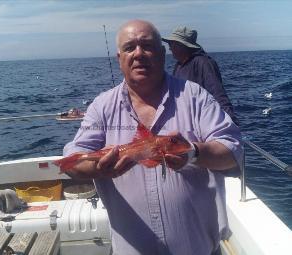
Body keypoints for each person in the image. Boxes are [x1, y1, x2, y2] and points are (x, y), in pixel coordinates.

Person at [62, 20, 243, 255]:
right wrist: (98, 169)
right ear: (119, 58)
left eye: (147, 46)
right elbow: (73, 159)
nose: (138, 54)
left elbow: (233, 150)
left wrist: (193, 153)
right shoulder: (102, 107)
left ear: (161, 53)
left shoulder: (195, 97)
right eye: (129, 47)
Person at [162, 26, 239, 125]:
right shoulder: (179, 65)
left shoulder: (203, 63)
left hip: (203, 122)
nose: (170, 48)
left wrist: (231, 123)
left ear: (182, 46)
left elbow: (217, 93)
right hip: (186, 122)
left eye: (172, 44)